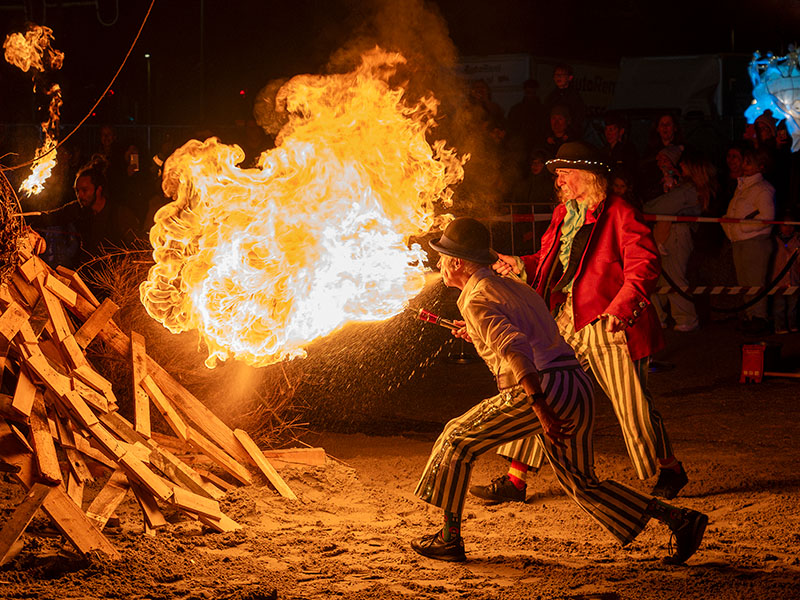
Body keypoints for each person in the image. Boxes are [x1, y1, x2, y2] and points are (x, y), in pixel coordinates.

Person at [411, 217, 708, 565]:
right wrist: (476, 332)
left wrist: (540, 408)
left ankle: (449, 538)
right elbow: (526, 330)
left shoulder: (475, 298)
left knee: (455, 438)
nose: (439, 264)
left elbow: (515, 348)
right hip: (574, 382)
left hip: (543, 388)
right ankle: (680, 519)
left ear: (458, 262)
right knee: (582, 483)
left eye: (443, 256)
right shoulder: (511, 286)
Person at [468, 142, 689, 504]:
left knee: (631, 402)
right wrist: (520, 263)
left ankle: (669, 468)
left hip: (608, 324)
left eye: (565, 173)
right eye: (558, 173)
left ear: (587, 176)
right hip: (567, 319)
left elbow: (644, 266)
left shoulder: (620, 213)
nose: (559, 179)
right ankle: (516, 478)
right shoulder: (563, 215)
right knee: (541, 387)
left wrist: (620, 309)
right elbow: (547, 261)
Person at [644, 152, 718, 332]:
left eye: (683, 165)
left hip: (676, 233)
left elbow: (664, 205)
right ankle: (659, 316)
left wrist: (644, 208)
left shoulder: (688, 190)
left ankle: (685, 318)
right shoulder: (690, 188)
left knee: (674, 276)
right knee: (661, 277)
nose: (680, 167)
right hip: (672, 232)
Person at [721, 146, 776, 336]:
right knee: (744, 283)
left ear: (760, 166)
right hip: (740, 241)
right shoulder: (742, 187)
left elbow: (768, 216)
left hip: (755, 242)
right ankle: (750, 316)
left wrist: (742, 226)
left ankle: (759, 318)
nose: (743, 166)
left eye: (748, 162)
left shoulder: (763, 189)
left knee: (755, 282)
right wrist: (729, 228)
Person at [771, 217, 800, 334]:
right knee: (779, 305)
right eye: (785, 225)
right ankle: (780, 326)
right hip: (777, 280)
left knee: (793, 305)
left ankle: (793, 324)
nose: (788, 228)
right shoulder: (773, 241)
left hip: (794, 279)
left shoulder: (797, 240)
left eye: (791, 225)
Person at [543, 63, 585, 139]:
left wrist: (570, 133)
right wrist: (548, 134)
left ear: (570, 78)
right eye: (556, 75)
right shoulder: (551, 97)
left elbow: (579, 118)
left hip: (570, 138)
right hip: (553, 137)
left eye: (562, 75)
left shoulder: (574, 97)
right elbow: (545, 117)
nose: (558, 77)